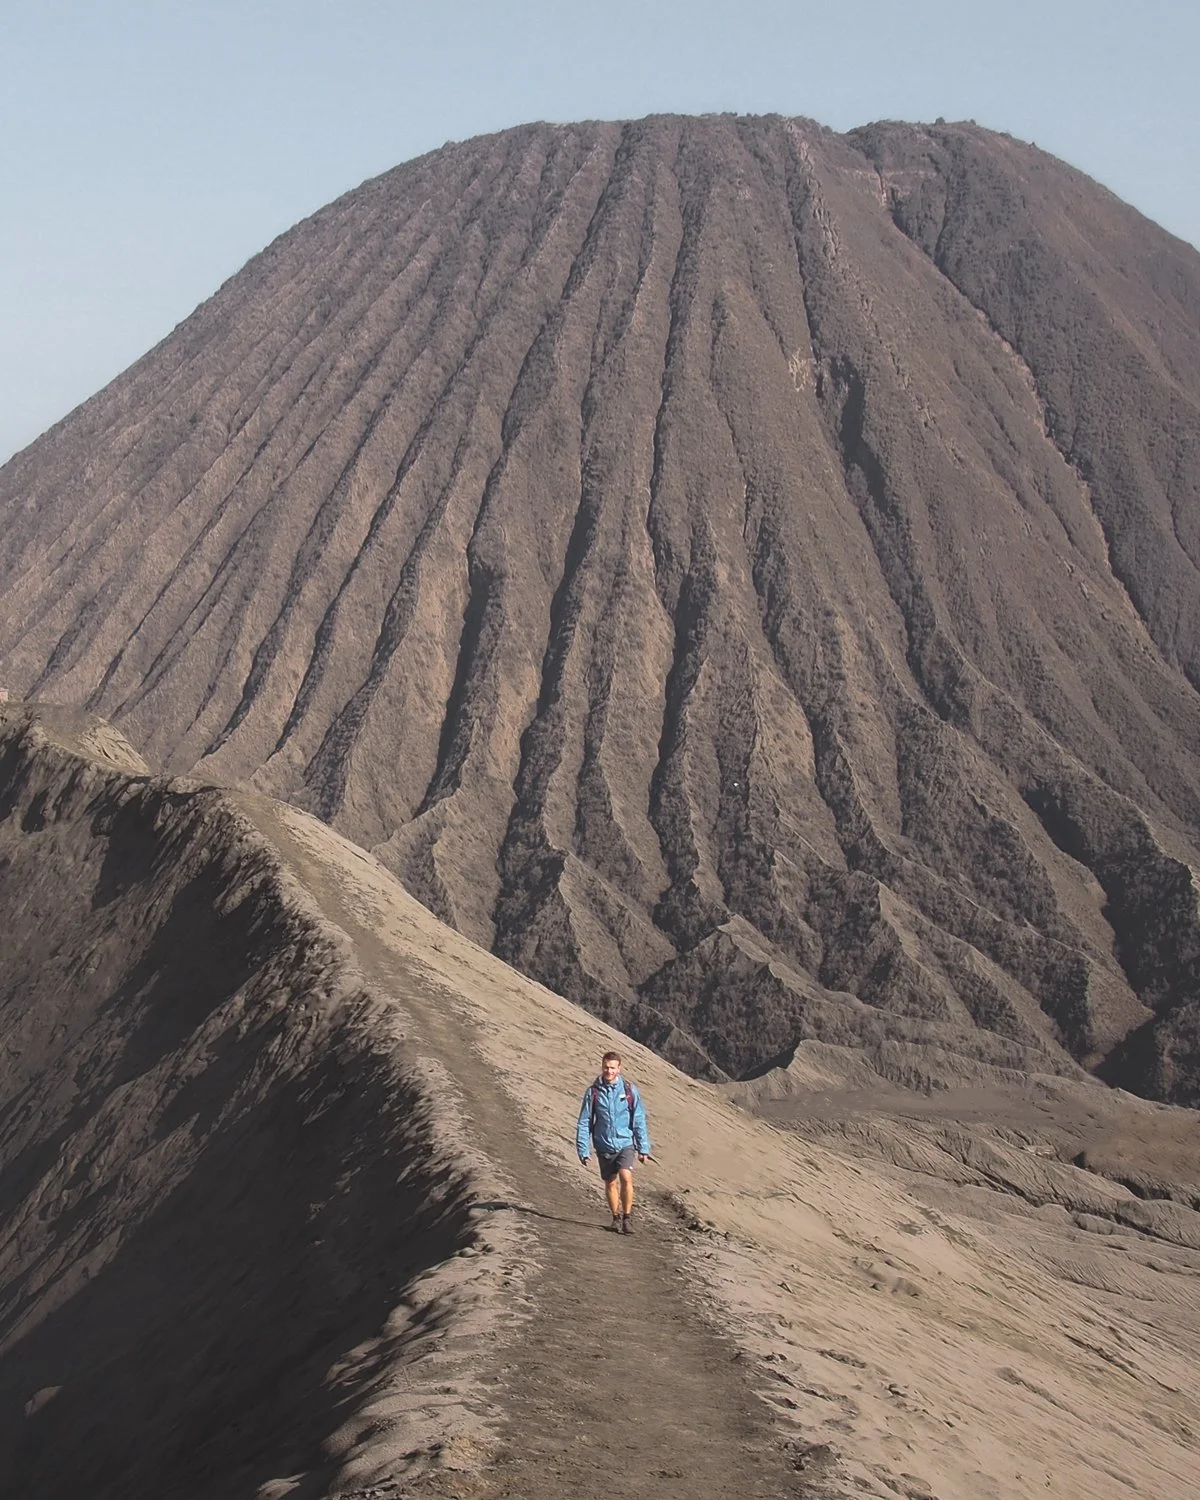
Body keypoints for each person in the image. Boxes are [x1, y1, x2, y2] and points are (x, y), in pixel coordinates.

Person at [576, 1050, 651, 1234]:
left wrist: (643, 1148)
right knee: (610, 1182)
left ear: (619, 1068)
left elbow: (638, 1118)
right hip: (604, 1145)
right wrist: (583, 1150)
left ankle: (627, 1217)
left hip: (625, 1142)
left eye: (612, 1068)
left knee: (626, 1177)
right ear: (602, 1067)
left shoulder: (629, 1090)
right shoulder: (593, 1092)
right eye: (606, 1067)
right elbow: (585, 1121)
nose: (609, 1071)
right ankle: (615, 1217)